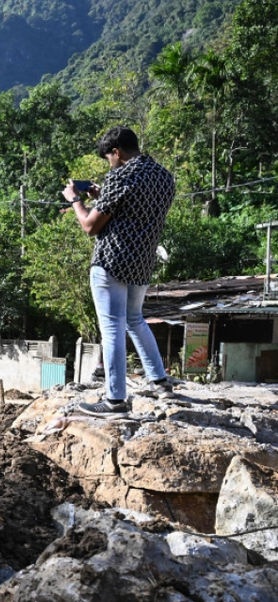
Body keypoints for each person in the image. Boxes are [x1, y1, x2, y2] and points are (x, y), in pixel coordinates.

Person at [62, 126, 176, 418]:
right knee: (136, 320)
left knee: (112, 326)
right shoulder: (164, 177)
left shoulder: (121, 176)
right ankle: (160, 381)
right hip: (141, 262)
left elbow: (89, 225)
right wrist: (105, 196)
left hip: (111, 261)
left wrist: (76, 200)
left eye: (108, 158)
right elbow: (135, 210)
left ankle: (115, 401)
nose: (108, 164)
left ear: (117, 152)